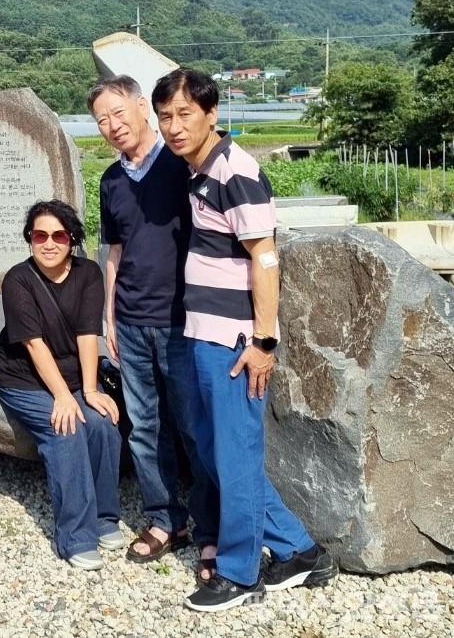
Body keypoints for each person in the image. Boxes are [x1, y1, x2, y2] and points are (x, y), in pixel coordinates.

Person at [152, 68, 337, 612]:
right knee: (216, 453)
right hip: (203, 333)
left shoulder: (236, 170)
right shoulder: (198, 170)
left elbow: (265, 256)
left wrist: (264, 341)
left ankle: (238, 572)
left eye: (185, 114)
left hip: (235, 341)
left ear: (212, 114)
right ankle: (301, 551)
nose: (174, 126)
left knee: (233, 457)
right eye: (165, 117)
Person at [90, 76, 219, 572]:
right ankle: (166, 518)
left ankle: (210, 529)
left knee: (193, 427)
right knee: (145, 428)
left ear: (143, 106)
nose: (113, 126)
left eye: (119, 113)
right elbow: (115, 252)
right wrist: (110, 314)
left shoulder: (183, 163)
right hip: (133, 320)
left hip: (184, 320)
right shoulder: (110, 181)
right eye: (102, 119)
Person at [0, 200, 123, 571]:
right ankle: (76, 536)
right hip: (24, 379)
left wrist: (90, 390)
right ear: (29, 239)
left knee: (102, 423)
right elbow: (33, 344)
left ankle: (104, 517)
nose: (48, 243)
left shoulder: (88, 274)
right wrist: (64, 397)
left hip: (71, 375)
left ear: (72, 239)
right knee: (66, 429)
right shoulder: (18, 279)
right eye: (39, 235)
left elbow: (87, 336)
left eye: (58, 235)